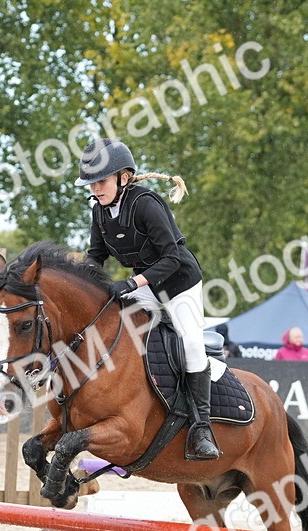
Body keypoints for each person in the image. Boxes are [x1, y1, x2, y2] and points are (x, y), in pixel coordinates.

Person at [77, 137, 220, 461]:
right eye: (91, 183)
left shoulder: (146, 204)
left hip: (179, 283)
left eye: (101, 181)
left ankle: (201, 427)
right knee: (110, 320)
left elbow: (171, 257)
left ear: (123, 178)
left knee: (193, 343)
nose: (96, 188)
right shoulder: (99, 212)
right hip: (147, 285)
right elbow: (96, 256)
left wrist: (130, 282)